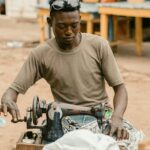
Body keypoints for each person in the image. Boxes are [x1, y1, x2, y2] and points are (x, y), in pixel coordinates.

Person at [1, 0, 143, 149]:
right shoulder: (40, 55)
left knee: (130, 142)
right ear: (50, 22)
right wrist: (7, 98)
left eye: (74, 25)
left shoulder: (99, 45)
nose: (69, 31)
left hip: (103, 116)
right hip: (65, 122)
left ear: (80, 20)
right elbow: (13, 90)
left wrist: (118, 117)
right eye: (62, 26)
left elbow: (120, 88)